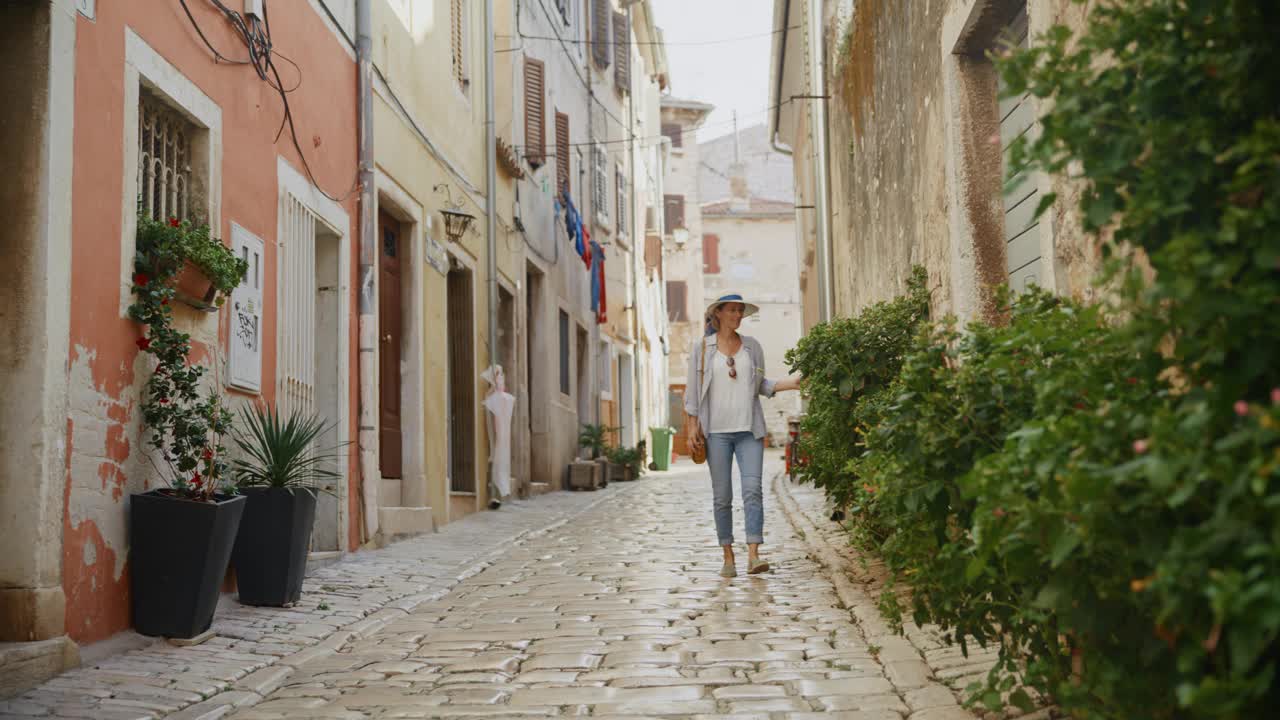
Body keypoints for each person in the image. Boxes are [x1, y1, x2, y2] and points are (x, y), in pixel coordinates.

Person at [685, 293, 802, 578]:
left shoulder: (752, 348)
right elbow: (692, 393)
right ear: (719, 314)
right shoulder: (702, 348)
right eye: (733, 311)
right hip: (716, 434)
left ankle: (753, 555)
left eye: (740, 311)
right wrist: (691, 428)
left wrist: (794, 383)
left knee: (753, 491)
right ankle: (728, 556)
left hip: (749, 430)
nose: (738, 316)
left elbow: (761, 384)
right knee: (722, 496)